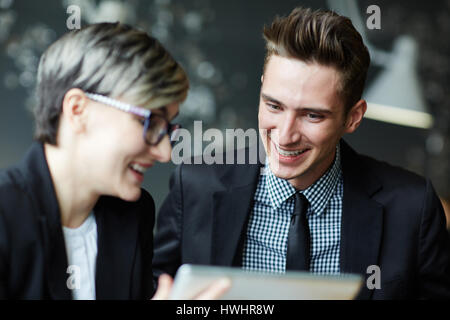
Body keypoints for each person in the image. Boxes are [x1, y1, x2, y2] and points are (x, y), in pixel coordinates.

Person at [152, 7, 450, 299]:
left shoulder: (412, 208)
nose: (285, 135)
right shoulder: (194, 186)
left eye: (312, 116)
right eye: (274, 106)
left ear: (353, 117)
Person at [0, 22, 229, 300]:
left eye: (167, 129)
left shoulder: (133, 214)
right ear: (78, 109)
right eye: (150, 122)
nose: (165, 153)